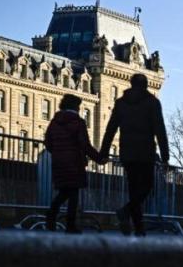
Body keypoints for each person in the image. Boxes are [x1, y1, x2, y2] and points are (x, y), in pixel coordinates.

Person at [99, 74, 170, 237]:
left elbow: (110, 129)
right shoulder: (152, 103)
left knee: (133, 189)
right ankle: (127, 212)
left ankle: (138, 228)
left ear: (131, 84)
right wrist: (165, 156)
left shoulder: (121, 103)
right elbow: (160, 130)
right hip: (145, 152)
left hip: (127, 152)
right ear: (146, 85)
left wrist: (104, 152)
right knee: (146, 188)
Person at [44, 94, 103, 233]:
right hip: (74, 162)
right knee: (73, 193)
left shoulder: (54, 122)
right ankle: (70, 225)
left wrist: (58, 152)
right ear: (76, 107)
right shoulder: (78, 122)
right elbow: (85, 145)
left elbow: (48, 143)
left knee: (64, 191)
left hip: (59, 161)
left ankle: (52, 214)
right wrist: (99, 158)